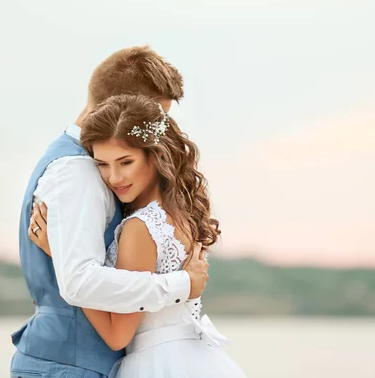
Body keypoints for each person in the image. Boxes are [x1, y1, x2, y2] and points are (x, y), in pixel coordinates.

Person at [10, 46, 210, 378]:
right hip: (68, 365)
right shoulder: (78, 172)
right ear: (117, 109)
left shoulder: (86, 166)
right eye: (153, 118)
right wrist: (182, 284)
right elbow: (79, 281)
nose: (161, 131)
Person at [29, 94, 246, 377]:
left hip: (159, 363)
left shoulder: (140, 228)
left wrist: (60, 256)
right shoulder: (182, 214)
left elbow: (117, 336)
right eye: (102, 165)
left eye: (125, 162)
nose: (114, 177)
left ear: (154, 156)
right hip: (197, 358)